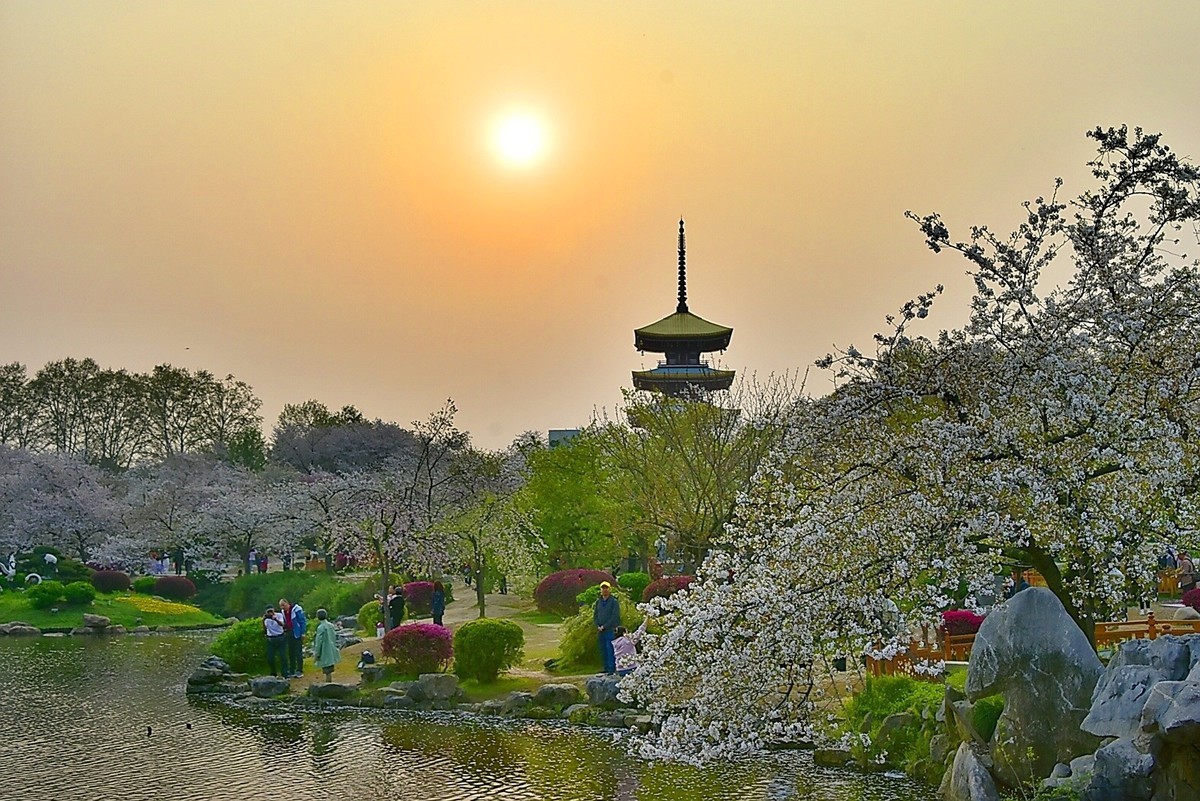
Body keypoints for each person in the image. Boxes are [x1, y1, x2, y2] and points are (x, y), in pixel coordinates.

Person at [593, 581, 621, 675]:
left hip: (610, 629)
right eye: (603, 588)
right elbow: (595, 615)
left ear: (609, 589)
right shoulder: (598, 601)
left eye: (606, 588)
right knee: (603, 649)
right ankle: (605, 667)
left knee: (610, 649)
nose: (604, 590)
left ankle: (611, 669)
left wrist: (605, 626)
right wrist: (597, 625)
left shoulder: (614, 602)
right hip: (600, 630)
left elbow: (615, 616)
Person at [279, 597, 307, 678]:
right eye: (281, 606)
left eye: (283, 605)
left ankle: (299, 670)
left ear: (287, 603)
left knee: (298, 652)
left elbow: (302, 621)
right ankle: (292, 669)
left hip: (297, 632)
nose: (282, 607)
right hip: (289, 632)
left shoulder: (297, 609)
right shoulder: (283, 612)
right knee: (291, 652)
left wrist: (303, 632)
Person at [311, 608, 340, 682]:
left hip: (324, 650)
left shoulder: (320, 628)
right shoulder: (331, 625)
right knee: (330, 668)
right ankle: (329, 682)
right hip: (332, 649)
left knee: (327, 669)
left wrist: (317, 654)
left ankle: (328, 684)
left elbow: (318, 642)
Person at [263, 606, 286, 678]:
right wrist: (263, 620)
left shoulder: (279, 615)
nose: (270, 613)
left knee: (283, 656)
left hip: (280, 637)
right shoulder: (266, 619)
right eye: (268, 612)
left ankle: (285, 673)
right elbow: (265, 629)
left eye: (271, 611)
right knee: (270, 658)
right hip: (271, 639)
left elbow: (282, 624)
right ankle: (273, 673)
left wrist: (275, 619)